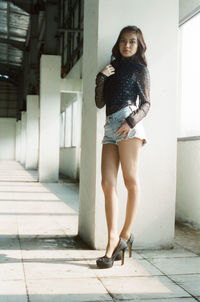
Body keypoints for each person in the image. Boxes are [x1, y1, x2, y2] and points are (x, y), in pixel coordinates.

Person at [95, 25, 151, 269]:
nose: (127, 45)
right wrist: (100, 78)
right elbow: (99, 102)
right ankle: (110, 239)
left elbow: (147, 104)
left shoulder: (140, 69)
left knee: (130, 180)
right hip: (109, 127)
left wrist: (130, 122)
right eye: (123, 41)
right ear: (118, 44)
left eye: (132, 42)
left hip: (129, 124)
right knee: (107, 183)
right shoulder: (111, 68)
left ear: (138, 45)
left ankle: (124, 236)